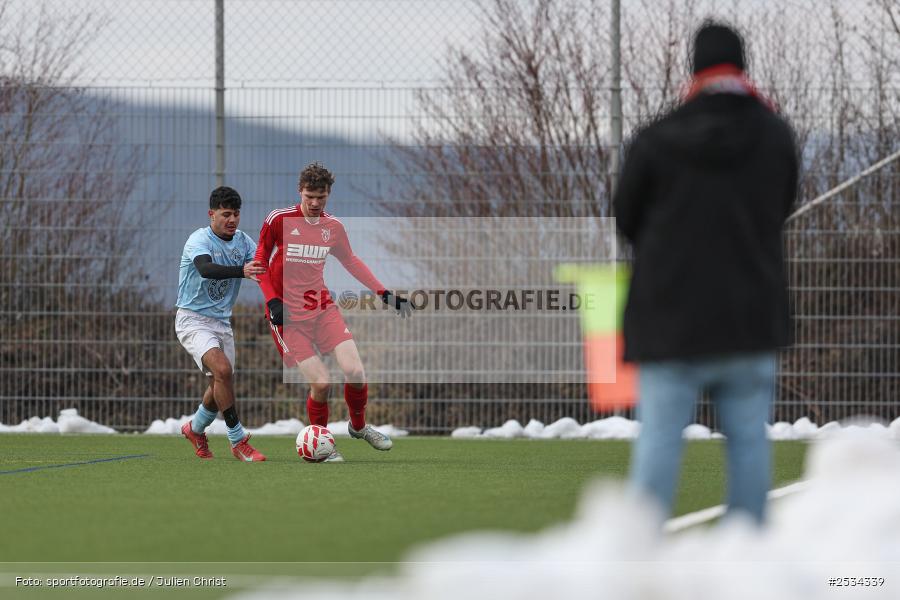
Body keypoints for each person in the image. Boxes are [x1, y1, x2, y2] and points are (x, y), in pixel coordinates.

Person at [614, 22, 798, 524]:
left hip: (670, 317)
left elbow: (626, 218)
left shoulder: (656, 140)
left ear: (693, 70)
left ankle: (638, 555)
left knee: (658, 441)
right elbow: (781, 206)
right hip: (749, 316)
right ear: (742, 66)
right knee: (748, 443)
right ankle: (748, 553)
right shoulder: (774, 135)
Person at [255, 162, 411, 462]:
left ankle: (359, 426)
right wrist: (272, 301)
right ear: (300, 191)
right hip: (287, 316)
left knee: (354, 371)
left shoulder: (333, 227)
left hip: (321, 307)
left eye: (321, 197)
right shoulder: (279, 219)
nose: (314, 203)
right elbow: (260, 260)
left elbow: (351, 261)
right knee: (322, 383)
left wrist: (386, 294)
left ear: (328, 195)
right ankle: (322, 447)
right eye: (309, 196)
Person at [175, 186, 268, 461]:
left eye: (236, 214)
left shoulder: (243, 242)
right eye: (226, 214)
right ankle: (238, 440)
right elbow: (206, 269)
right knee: (223, 370)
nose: (232, 220)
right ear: (211, 214)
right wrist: (242, 271)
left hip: (221, 323)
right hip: (192, 319)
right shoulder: (198, 240)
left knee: (220, 383)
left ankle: (195, 429)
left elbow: (264, 267)